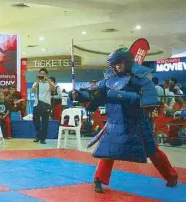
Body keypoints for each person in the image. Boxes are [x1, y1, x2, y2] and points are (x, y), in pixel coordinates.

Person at [71, 48, 178, 193]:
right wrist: (79, 95)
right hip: (115, 123)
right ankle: (98, 179)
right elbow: (94, 96)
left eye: (119, 62)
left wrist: (121, 95)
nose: (117, 66)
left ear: (127, 62)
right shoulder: (108, 80)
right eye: (114, 64)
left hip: (138, 123)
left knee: (152, 151)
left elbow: (149, 103)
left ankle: (171, 176)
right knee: (108, 151)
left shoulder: (142, 80)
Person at [31, 68, 55, 144]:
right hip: (37, 105)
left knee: (45, 123)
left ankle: (43, 139)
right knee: (36, 123)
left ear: (46, 75)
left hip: (46, 106)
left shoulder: (49, 83)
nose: (42, 75)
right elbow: (32, 91)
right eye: (40, 73)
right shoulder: (35, 83)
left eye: (43, 74)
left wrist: (48, 80)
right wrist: (38, 82)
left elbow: (53, 89)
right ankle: (38, 137)